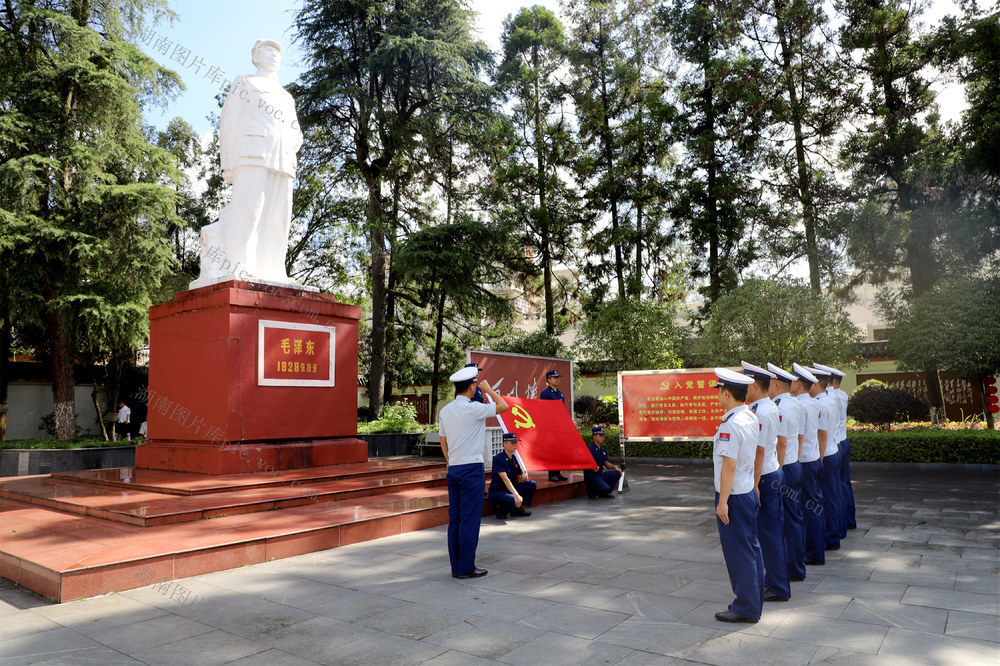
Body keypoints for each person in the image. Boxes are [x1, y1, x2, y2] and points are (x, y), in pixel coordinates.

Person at [192, 39, 303, 288]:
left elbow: (297, 133)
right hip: (252, 153)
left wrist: (289, 144)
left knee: (279, 217)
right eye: (267, 50)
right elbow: (229, 122)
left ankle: (275, 268)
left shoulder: (286, 97)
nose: (274, 55)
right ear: (255, 55)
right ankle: (239, 263)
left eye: (277, 51)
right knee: (248, 211)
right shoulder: (245, 83)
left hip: (283, 159)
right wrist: (228, 163)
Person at [439, 365, 509, 579]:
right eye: (476, 384)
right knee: (469, 520)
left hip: (455, 469)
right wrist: (488, 390)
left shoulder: (445, 410)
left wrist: (451, 461)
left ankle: (456, 568)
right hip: (471, 470)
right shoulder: (475, 408)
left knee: (456, 520)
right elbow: (504, 406)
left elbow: (444, 441)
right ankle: (466, 568)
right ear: (471, 386)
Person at [711, 368, 764, 624]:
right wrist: (755, 485)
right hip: (746, 492)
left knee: (739, 553)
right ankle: (752, 601)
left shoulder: (730, 424)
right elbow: (754, 455)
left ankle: (746, 607)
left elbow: (729, 464)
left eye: (719, 391)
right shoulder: (750, 417)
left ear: (727, 392)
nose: (719, 396)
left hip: (733, 496)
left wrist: (722, 502)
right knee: (751, 549)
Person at [742, 361, 790, 603]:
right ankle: (777, 581)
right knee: (773, 531)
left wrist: (754, 485)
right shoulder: (770, 406)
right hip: (773, 471)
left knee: (768, 533)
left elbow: (759, 452)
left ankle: (778, 586)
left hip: (765, 476)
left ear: (753, 385)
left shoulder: (761, 411)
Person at [767, 362, 807, 582]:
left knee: (788, 520)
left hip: (785, 466)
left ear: (775, 384)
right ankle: (796, 564)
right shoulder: (795, 404)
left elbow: (780, 444)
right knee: (795, 518)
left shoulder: (780, 406)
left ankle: (793, 568)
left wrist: (779, 470)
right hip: (795, 463)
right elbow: (798, 438)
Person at [792, 363, 826, 566]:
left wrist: (795, 461)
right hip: (813, 458)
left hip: (804, 460)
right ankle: (816, 548)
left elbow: (799, 438)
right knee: (814, 504)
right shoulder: (813, 403)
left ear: (798, 383)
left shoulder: (801, 405)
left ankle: (813, 551)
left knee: (808, 507)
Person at [815, 363, 855, 531]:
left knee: (833, 490)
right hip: (840, 441)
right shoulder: (841, 395)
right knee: (842, 485)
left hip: (834, 444)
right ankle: (846, 521)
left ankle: (837, 526)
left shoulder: (828, 397)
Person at [810, 366, 842, 552]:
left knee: (827, 498)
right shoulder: (829, 399)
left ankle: (830, 537)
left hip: (826, 454)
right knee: (832, 496)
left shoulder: (821, 403)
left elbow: (822, 435)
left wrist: (819, 460)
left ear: (815, 383)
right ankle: (834, 533)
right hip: (833, 450)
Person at [488, 432, 536, 519]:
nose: (515, 445)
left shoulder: (515, 459)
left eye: (515, 443)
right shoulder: (499, 458)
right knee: (512, 498)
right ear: (504, 444)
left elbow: (515, 480)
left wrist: (523, 479)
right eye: (512, 443)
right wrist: (516, 495)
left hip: (509, 489)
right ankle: (500, 509)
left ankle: (516, 509)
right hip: (498, 491)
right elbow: (505, 479)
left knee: (531, 484)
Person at [539, 369, 569, 482]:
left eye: (558, 377)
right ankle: (552, 473)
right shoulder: (546, 393)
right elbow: (544, 410)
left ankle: (558, 472)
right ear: (548, 379)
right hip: (551, 426)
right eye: (554, 377)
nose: (557, 379)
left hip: (560, 425)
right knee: (552, 450)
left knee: (559, 450)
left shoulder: (560, 393)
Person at [584, 425, 622, 499]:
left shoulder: (602, 449)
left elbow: (605, 462)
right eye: (600, 436)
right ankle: (592, 490)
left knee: (617, 473)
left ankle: (603, 493)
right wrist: (592, 467)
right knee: (606, 488)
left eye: (603, 436)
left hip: (599, 474)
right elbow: (585, 462)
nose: (602, 437)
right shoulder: (590, 449)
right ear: (594, 437)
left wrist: (615, 467)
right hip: (592, 476)